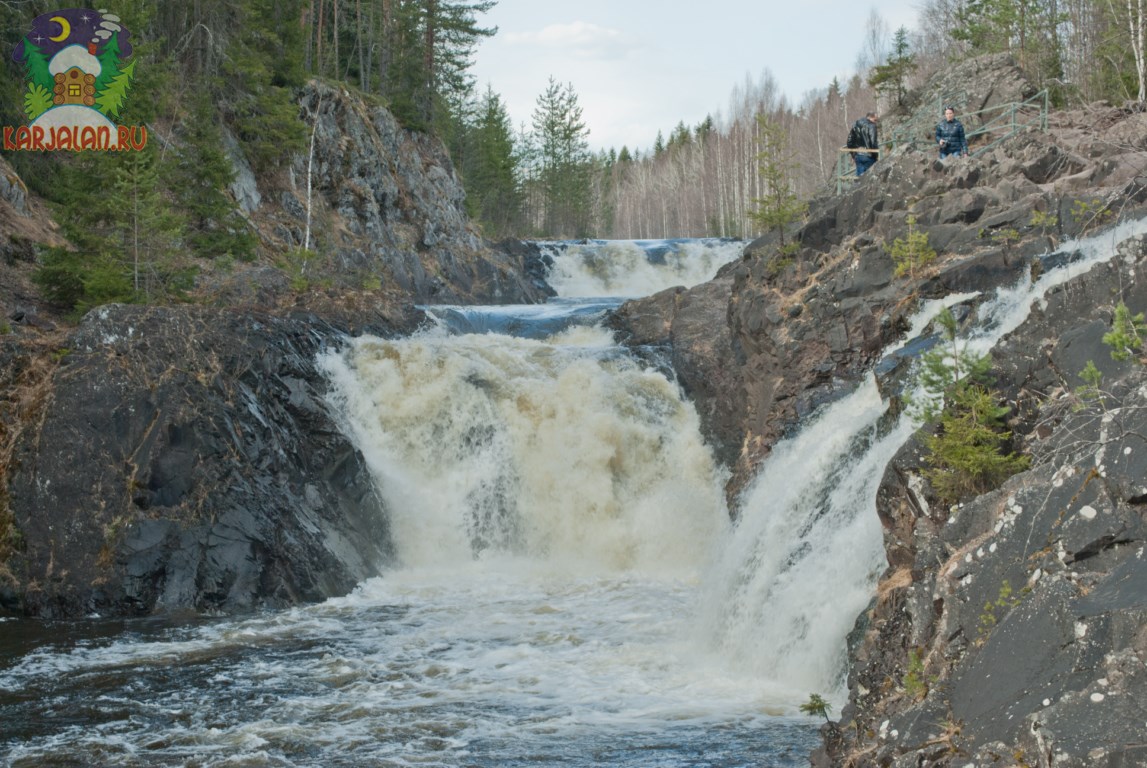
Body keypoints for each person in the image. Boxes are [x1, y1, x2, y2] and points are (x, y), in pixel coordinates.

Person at [846, 112, 880, 176]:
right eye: (875, 120)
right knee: (870, 179)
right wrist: (876, 155)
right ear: (870, 117)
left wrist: (853, 154)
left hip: (858, 155)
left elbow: (849, 141)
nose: (875, 122)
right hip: (869, 156)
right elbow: (873, 142)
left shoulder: (856, 124)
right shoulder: (872, 126)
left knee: (859, 180)